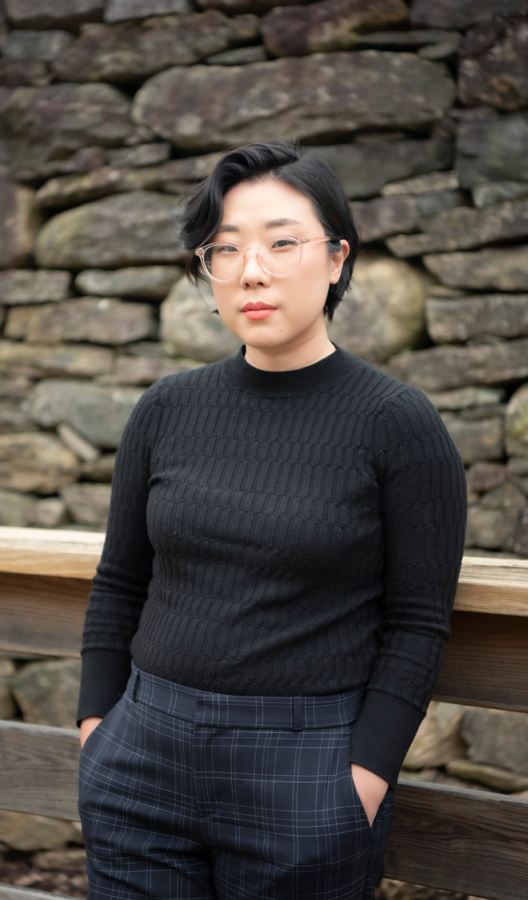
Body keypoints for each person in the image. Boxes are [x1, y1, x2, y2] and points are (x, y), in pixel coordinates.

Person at [76, 140, 467, 900]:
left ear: (335, 259)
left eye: (282, 242)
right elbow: (121, 579)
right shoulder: (166, 408)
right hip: (141, 753)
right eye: (224, 251)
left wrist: (363, 778)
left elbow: (417, 623)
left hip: (306, 771)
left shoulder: (398, 424)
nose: (251, 271)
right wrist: (97, 729)